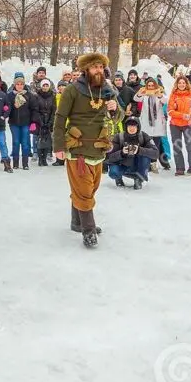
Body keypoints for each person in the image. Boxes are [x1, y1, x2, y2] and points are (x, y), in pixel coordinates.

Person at [53, 53, 123, 248]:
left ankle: (77, 222)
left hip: (98, 147)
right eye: (94, 67)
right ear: (86, 70)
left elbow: (118, 117)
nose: (98, 70)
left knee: (91, 188)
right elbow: (59, 119)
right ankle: (88, 230)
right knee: (84, 191)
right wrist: (58, 146)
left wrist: (114, 108)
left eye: (101, 67)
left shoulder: (108, 89)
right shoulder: (72, 90)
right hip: (77, 148)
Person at [106, 116, 158, 190]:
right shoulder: (119, 137)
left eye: (134, 126)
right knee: (114, 172)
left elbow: (156, 153)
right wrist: (122, 153)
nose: (132, 128)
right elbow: (109, 157)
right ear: (126, 127)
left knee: (145, 156)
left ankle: (139, 178)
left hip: (137, 165)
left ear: (138, 127)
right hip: (122, 164)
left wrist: (140, 150)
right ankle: (118, 177)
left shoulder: (144, 136)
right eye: (129, 126)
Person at [134, 77, 171, 171]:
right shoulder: (144, 95)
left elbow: (165, 101)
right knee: (146, 144)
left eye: (152, 85)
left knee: (156, 145)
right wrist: (140, 93)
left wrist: (159, 95)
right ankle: (147, 162)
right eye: (149, 85)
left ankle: (154, 162)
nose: (150, 87)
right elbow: (136, 99)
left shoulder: (160, 94)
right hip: (146, 123)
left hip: (157, 123)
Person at [167, 76, 191, 177]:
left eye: (183, 83)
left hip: (188, 125)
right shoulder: (173, 95)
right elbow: (170, 111)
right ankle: (180, 168)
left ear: (186, 84)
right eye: (180, 83)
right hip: (175, 124)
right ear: (177, 84)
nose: (181, 85)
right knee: (177, 146)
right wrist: (182, 115)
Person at [6, 74, 37, 170]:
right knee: (15, 142)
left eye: (21, 84)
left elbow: (34, 109)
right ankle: (15, 163)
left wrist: (33, 122)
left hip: (26, 123)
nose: (19, 86)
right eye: (18, 84)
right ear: (14, 85)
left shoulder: (29, 95)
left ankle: (25, 163)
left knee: (25, 143)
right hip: (14, 123)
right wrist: (8, 108)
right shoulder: (10, 95)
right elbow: (6, 107)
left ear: (24, 85)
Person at [33, 78, 57, 167]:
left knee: (47, 140)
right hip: (40, 120)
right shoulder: (37, 96)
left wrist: (50, 122)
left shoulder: (52, 96)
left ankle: (45, 159)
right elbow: (36, 110)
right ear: (41, 86)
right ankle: (40, 159)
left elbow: (54, 110)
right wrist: (41, 122)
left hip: (49, 120)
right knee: (39, 140)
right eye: (44, 85)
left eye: (47, 85)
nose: (45, 87)